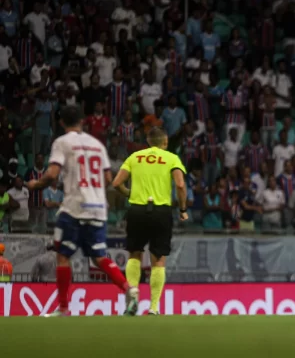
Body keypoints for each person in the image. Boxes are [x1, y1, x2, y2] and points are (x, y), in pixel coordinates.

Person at [26, 105, 137, 317]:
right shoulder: (98, 145)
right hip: (97, 209)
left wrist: (36, 185)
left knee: (63, 255)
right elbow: (107, 179)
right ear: (82, 121)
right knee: (99, 257)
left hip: (73, 209)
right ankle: (128, 288)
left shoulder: (62, 142)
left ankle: (64, 308)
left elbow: (52, 173)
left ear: (61, 123)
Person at [112, 126, 188, 316]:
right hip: (161, 212)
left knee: (134, 255)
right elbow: (180, 184)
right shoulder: (171, 158)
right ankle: (153, 307)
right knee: (158, 260)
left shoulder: (135, 157)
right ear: (165, 142)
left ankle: (133, 297)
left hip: (137, 210)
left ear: (148, 141)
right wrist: (183, 209)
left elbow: (115, 183)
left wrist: (130, 194)